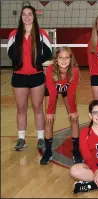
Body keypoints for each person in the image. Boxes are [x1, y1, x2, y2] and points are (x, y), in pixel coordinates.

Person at [7, 5, 52, 151]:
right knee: (21, 108)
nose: (27, 17)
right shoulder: (14, 34)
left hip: (36, 76)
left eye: (30, 15)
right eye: (24, 15)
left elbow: (49, 52)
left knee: (38, 107)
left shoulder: (41, 33)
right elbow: (10, 53)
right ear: (21, 17)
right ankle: (21, 138)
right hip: (19, 77)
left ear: (34, 16)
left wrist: (37, 62)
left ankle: (40, 138)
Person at [40, 47, 83, 165]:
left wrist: (73, 111)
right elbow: (53, 93)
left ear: (71, 59)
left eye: (67, 58)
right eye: (60, 58)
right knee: (48, 120)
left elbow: (71, 92)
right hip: (51, 90)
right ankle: (48, 151)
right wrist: (50, 112)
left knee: (74, 118)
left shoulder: (74, 71)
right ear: (56, 59)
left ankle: (76, 150)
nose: (64, 61)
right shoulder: (49, 70)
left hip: (67, 91)